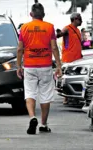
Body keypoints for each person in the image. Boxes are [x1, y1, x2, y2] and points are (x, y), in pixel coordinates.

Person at [16, 1, 62, 135]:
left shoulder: (24, 28)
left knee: (30, 93)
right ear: (43, 14)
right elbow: (54, 47)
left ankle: (32, 117)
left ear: (31, 14)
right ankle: (43, 124)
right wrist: (58, 65)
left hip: (29, 66)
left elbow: (20, 49)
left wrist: (19, 66)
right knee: (45, 95)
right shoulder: (49, 27)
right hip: (45, 66)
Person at [56, 13, 83, 104]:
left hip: (77, 58)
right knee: (66, 78)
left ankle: (74, 96)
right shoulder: (67, 28)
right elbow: (60, 34)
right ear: (75, 19)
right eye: (79, 19)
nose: (81, 21)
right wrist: (59, 33)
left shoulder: (78, 30)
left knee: (76, 78)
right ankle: (65, 97)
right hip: (68, 58)